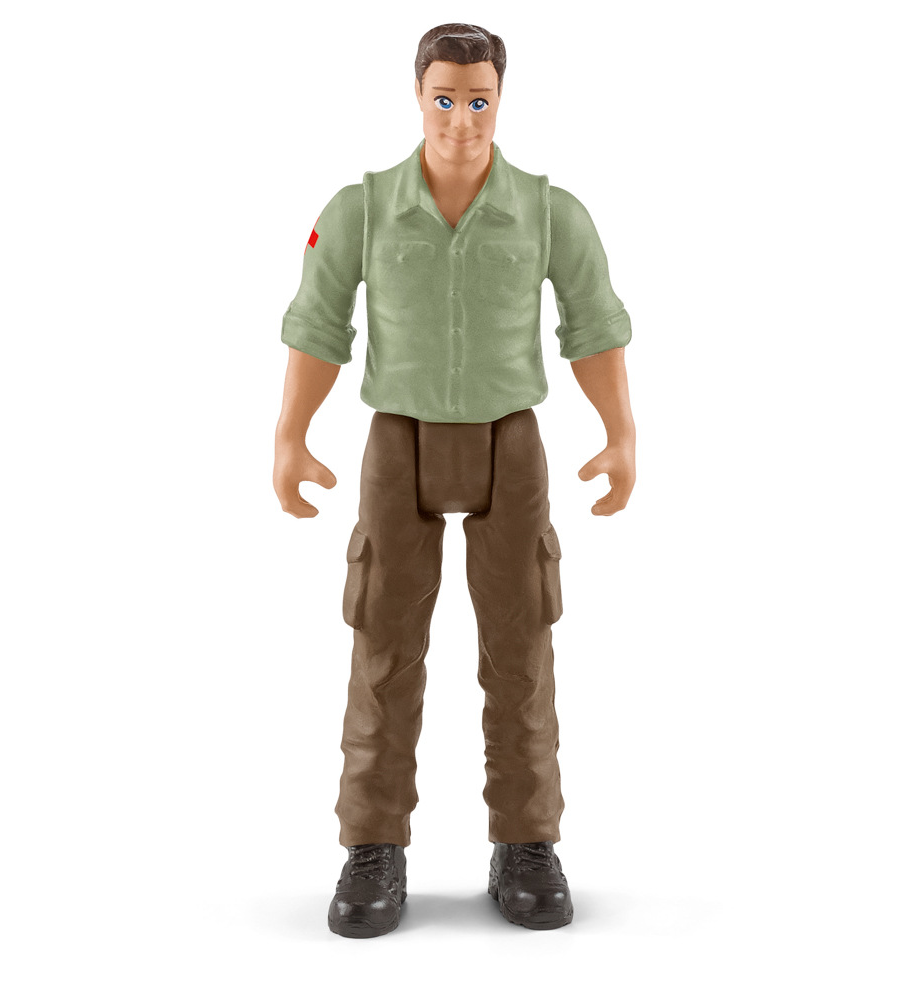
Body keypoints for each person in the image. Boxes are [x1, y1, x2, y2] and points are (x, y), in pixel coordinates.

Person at [273, 23, 636, 937]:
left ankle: (527, 839)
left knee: (521, 648)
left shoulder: (549, 212)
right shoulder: (361, 210)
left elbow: (593, 323)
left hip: (511, 441)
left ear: (500, 100)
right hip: (396, 443)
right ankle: (372, 845)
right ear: (418, 95)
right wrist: (290, 433)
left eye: (479, 100)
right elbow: (318, 323)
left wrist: (620, 431)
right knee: (383, 646)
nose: (461, 120)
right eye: (445, 98)